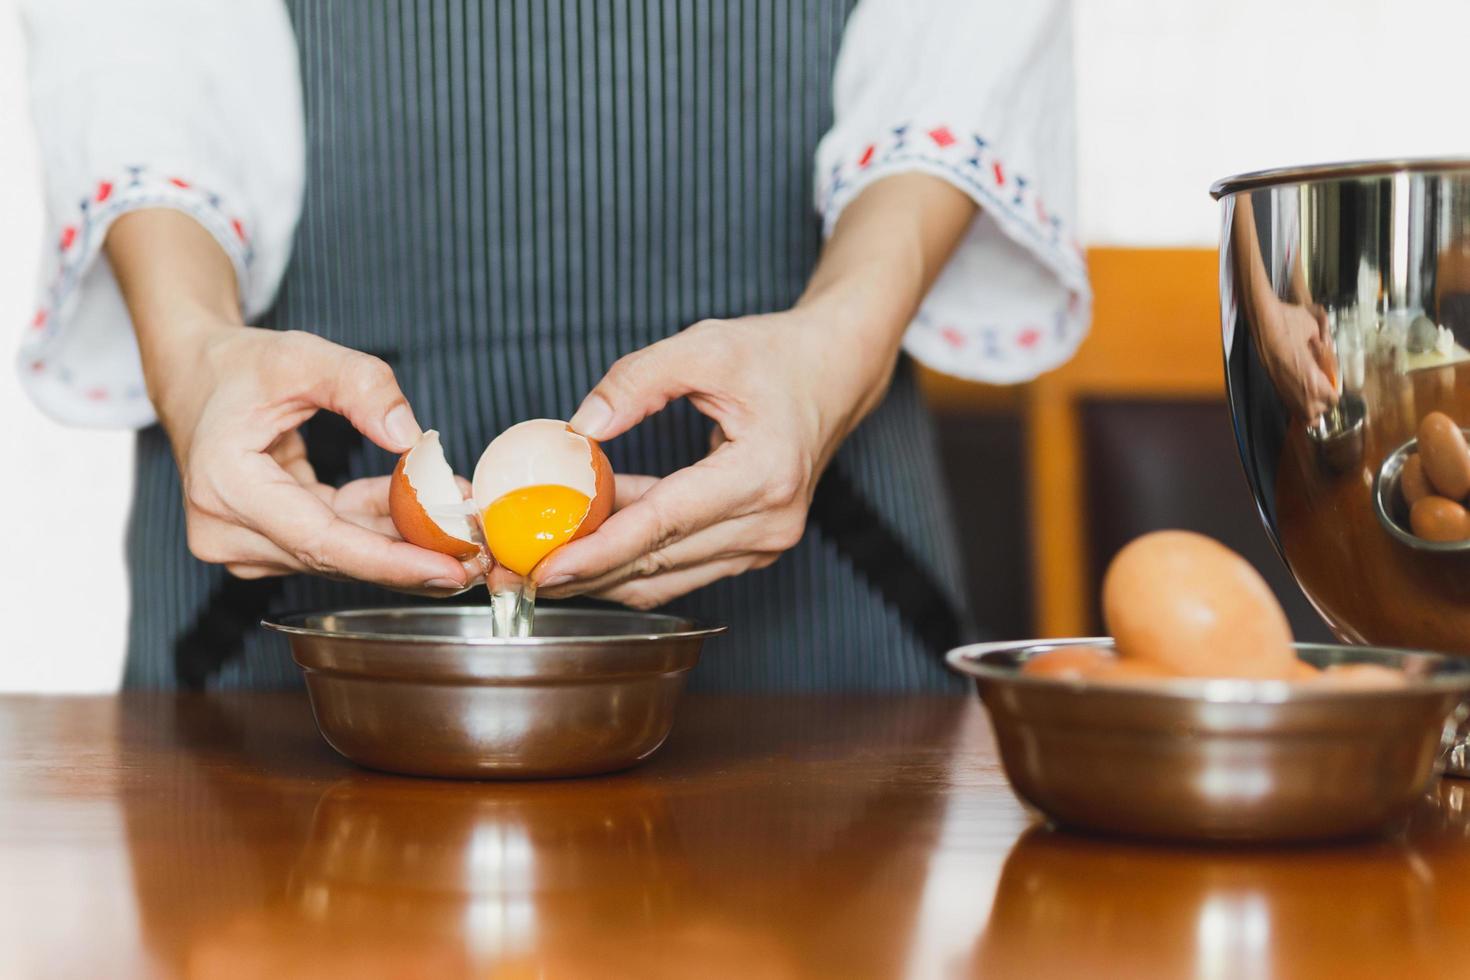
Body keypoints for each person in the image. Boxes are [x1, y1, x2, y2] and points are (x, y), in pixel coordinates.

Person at [19, 0, 1089, 691]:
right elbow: (133, 37)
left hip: (815, 511)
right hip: (293, 519)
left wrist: (841, 332)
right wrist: (193, 342)